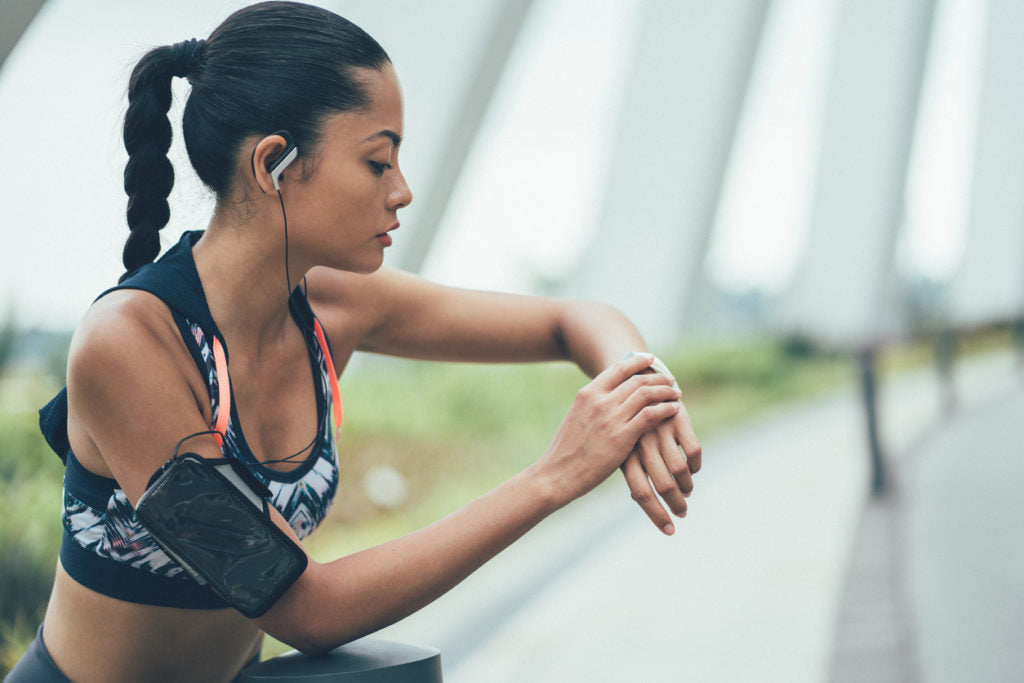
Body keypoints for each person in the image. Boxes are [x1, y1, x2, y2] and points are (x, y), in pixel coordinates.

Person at [6, 2, 701, 681]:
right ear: (273, 163)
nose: (402, 192)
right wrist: (553, 476)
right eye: (378, 162)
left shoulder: (333, 306)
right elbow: (306, 608)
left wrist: (644, 398)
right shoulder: (128, 343)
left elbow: (574, 320)